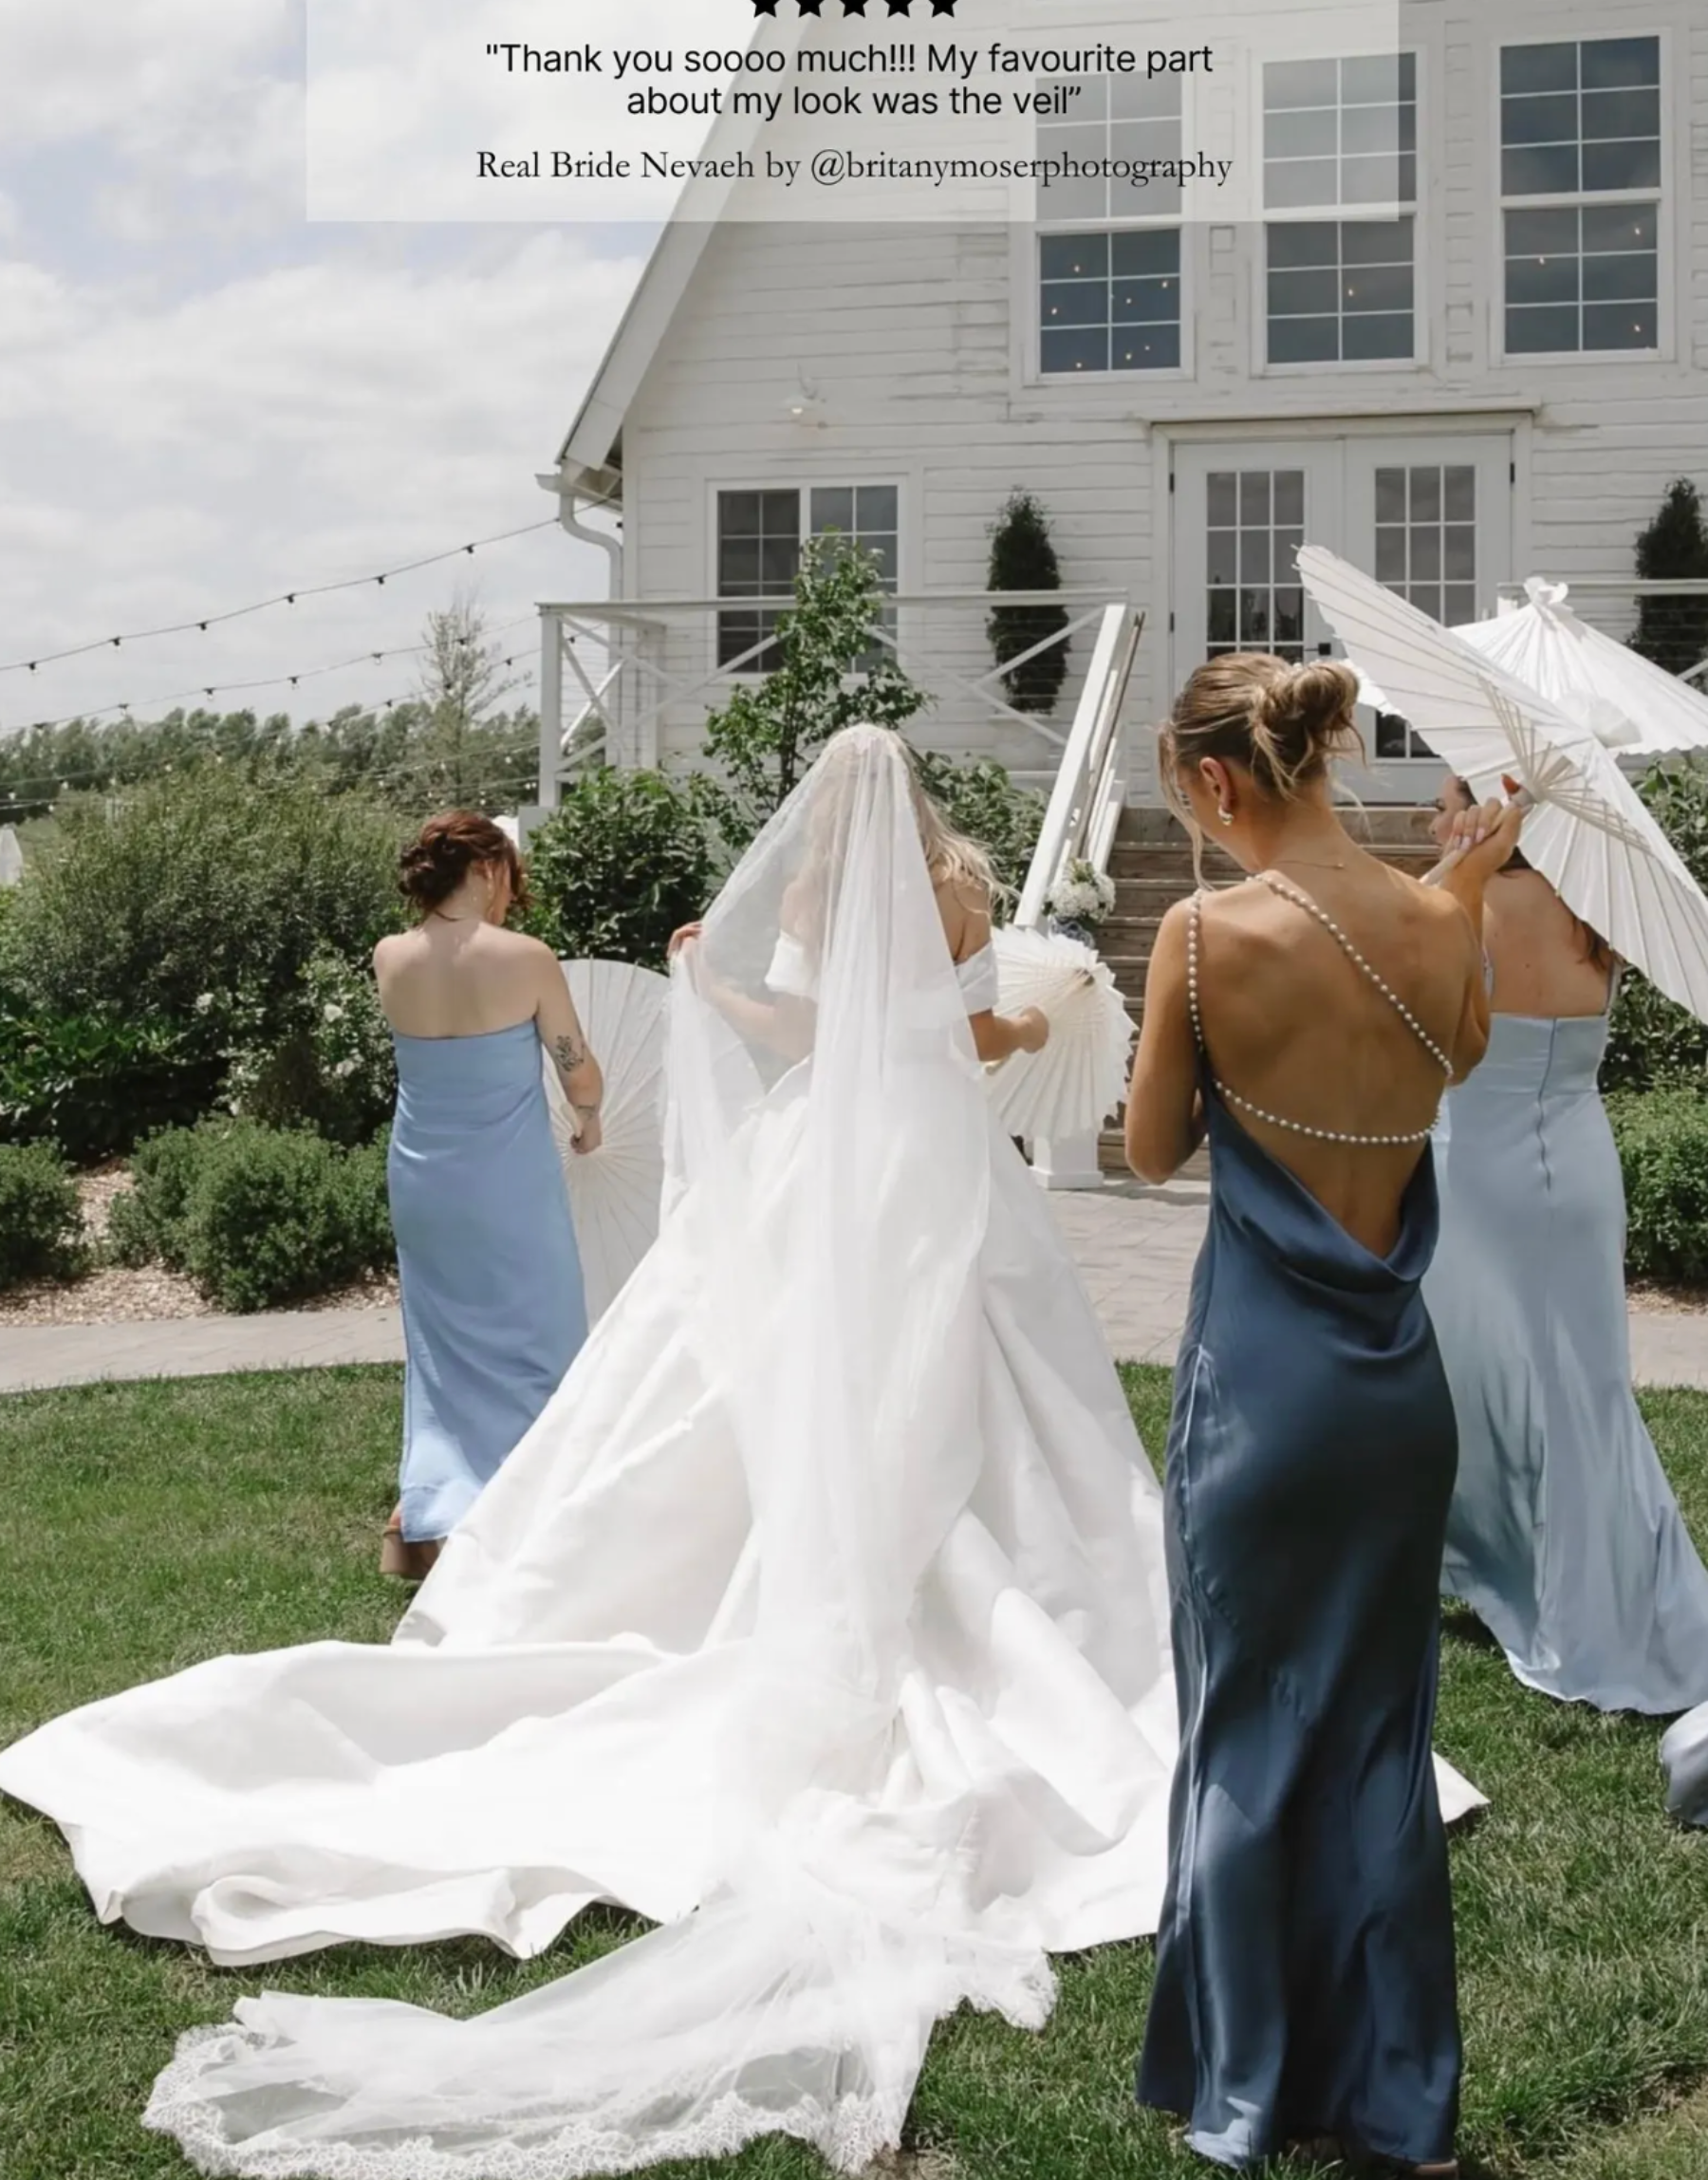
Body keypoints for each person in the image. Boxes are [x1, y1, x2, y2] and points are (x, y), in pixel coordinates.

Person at [0, 726, 1184, 2178]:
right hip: (938, 1158)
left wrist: (714, 983)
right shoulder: (963, 895)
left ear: (832, 798)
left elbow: (811, 1035)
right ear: (922, 793)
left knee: (750, 1373)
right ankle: (982, 1568)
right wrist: (1016, 1033)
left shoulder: (812, 896)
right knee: (972, 1370)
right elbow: (962, 1031)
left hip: (828, 1150)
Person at [1123, 656, 1520, 2177]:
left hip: (1263, 1394)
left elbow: (1154, 1152)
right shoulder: (1435, 922)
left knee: (1242, 1731)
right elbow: (1463, 1050)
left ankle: (1249, 2094)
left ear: (1220, 784)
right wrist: (1458, 887)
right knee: (1375, 1739)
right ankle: (1399, 2108)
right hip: (1396, 1399)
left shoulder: (1204, 931)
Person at [1424, 774, 1708, 1714]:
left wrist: (1455, 867)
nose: (1437, 812)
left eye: (1449, 795)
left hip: (1480, 1172)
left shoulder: (1465, 902)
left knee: (1467, 1369)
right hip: (1579, 1165)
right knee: (1583, 1387)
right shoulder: (1599, 907)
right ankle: (1573, 1576)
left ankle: (1548, 1591)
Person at [374, 810, 602, 1577]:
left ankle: (432, 1516)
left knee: (443, 1353)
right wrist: (592, 1115)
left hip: (423, 1179)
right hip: (506, 1181)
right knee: (540, 1337)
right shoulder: (527, 958)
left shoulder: (389, 956)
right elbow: (577, 1069)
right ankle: (535, 1513)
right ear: (489, 868)